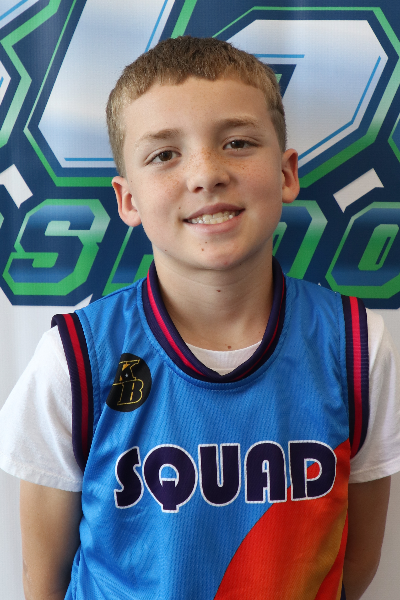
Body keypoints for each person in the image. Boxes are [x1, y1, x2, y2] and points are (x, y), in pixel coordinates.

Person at [0, 36, 399, 600]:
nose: (206, 173)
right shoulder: (76, 359)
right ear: (128, 200)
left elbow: (355, 562)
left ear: (286, 173)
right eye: (165, 154)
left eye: (237, 143)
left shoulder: (354, 345)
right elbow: (43, 580)